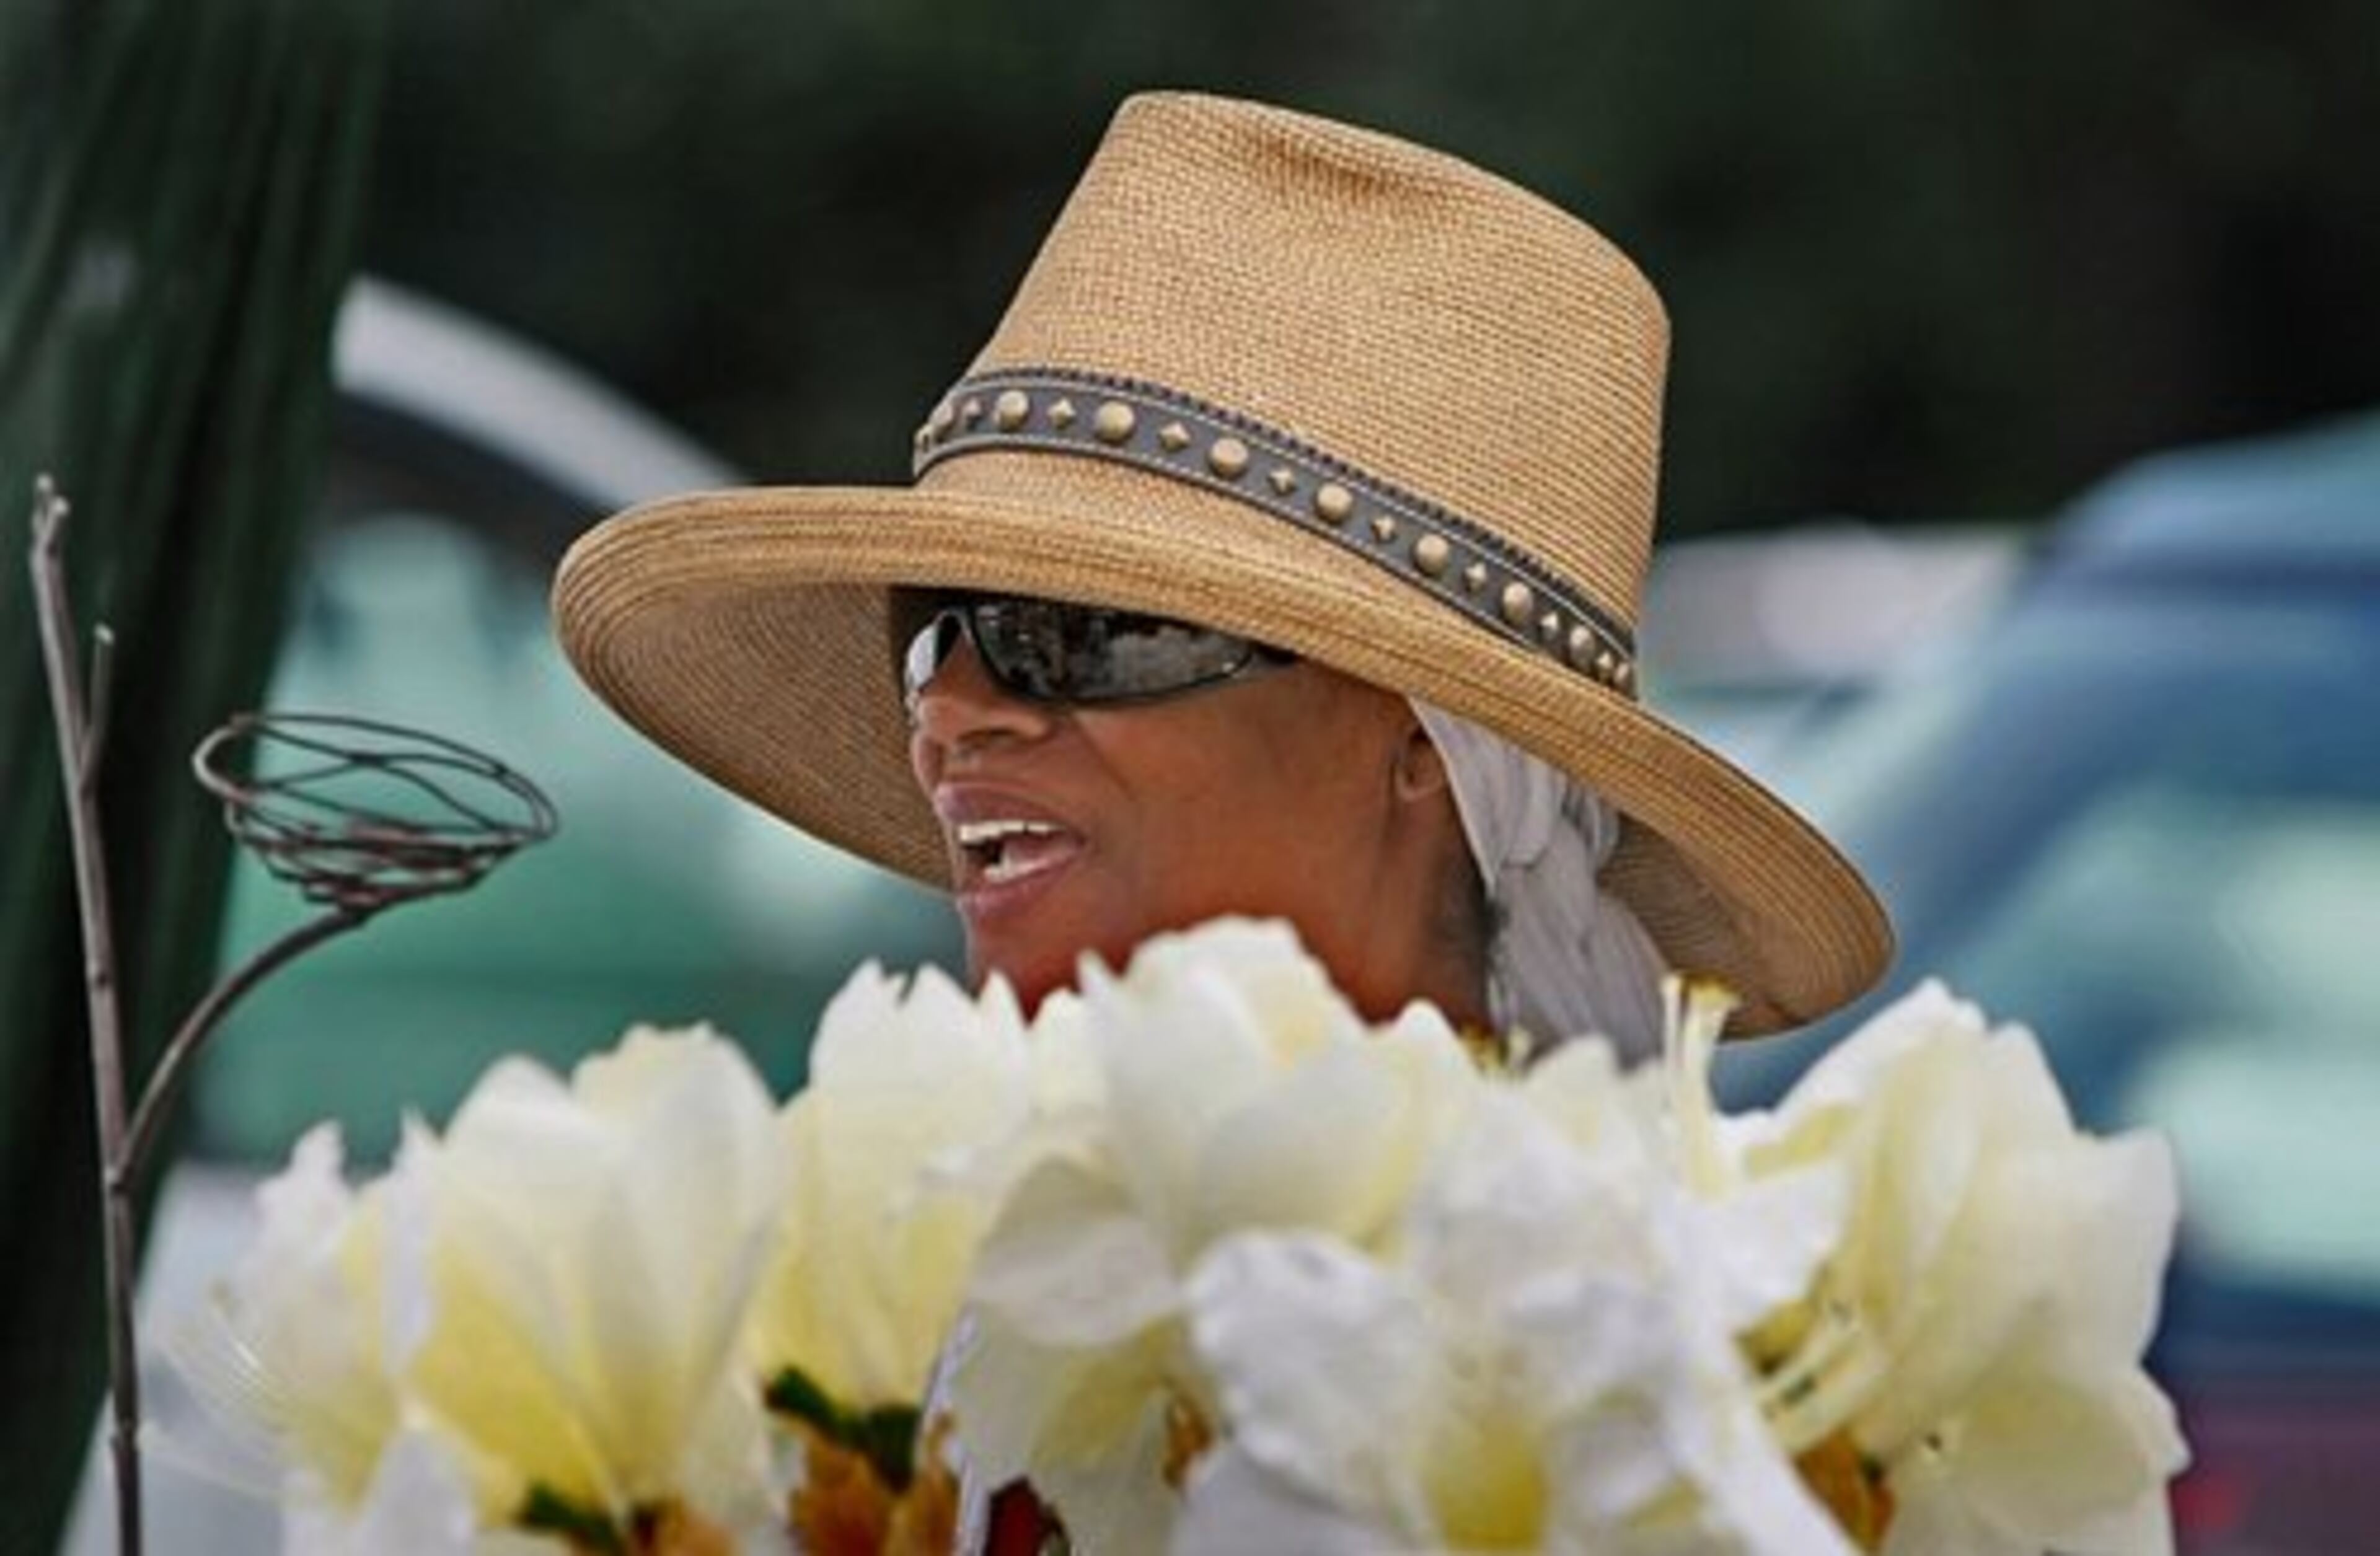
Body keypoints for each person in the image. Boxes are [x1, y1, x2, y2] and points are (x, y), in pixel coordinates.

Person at [552, 89, 1892, 1546]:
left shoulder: (1660, 1399)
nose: (954, 712)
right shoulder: (923, 1297)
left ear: (1427, 745)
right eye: (937, 631)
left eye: (1088, 632)